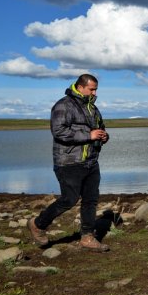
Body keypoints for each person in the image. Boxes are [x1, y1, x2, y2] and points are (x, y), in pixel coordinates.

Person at [27, 74, 110, 252]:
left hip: (91, 161)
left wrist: (103, 136)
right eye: (92, 89)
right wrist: (89, 136)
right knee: (69, 199)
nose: (95, 93)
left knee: (91, 200)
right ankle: (37, 224)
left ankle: (87, 237)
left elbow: (99, 127)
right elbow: (58, 132)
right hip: (68, 162)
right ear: (80, 87)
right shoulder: (63, 105)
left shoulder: (92, 108)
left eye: (96, 89)